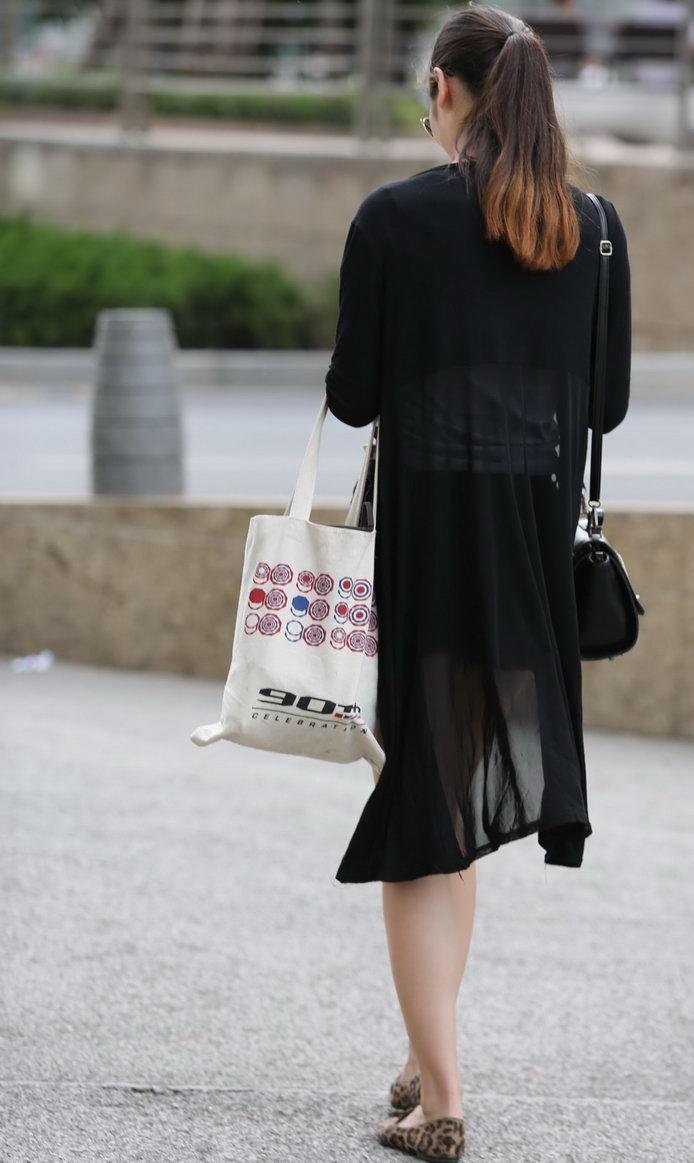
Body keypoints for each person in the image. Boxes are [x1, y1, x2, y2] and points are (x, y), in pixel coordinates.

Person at [324, 5, 631, 1160]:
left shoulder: (393, 218)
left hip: (433, 548)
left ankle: (442, 1098)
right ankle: (428, 1045)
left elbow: (353, 396)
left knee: (423, 819)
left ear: (445, 92)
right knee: (447, 812)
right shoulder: (592, 228)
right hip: (530, 556)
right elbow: (603, 406)